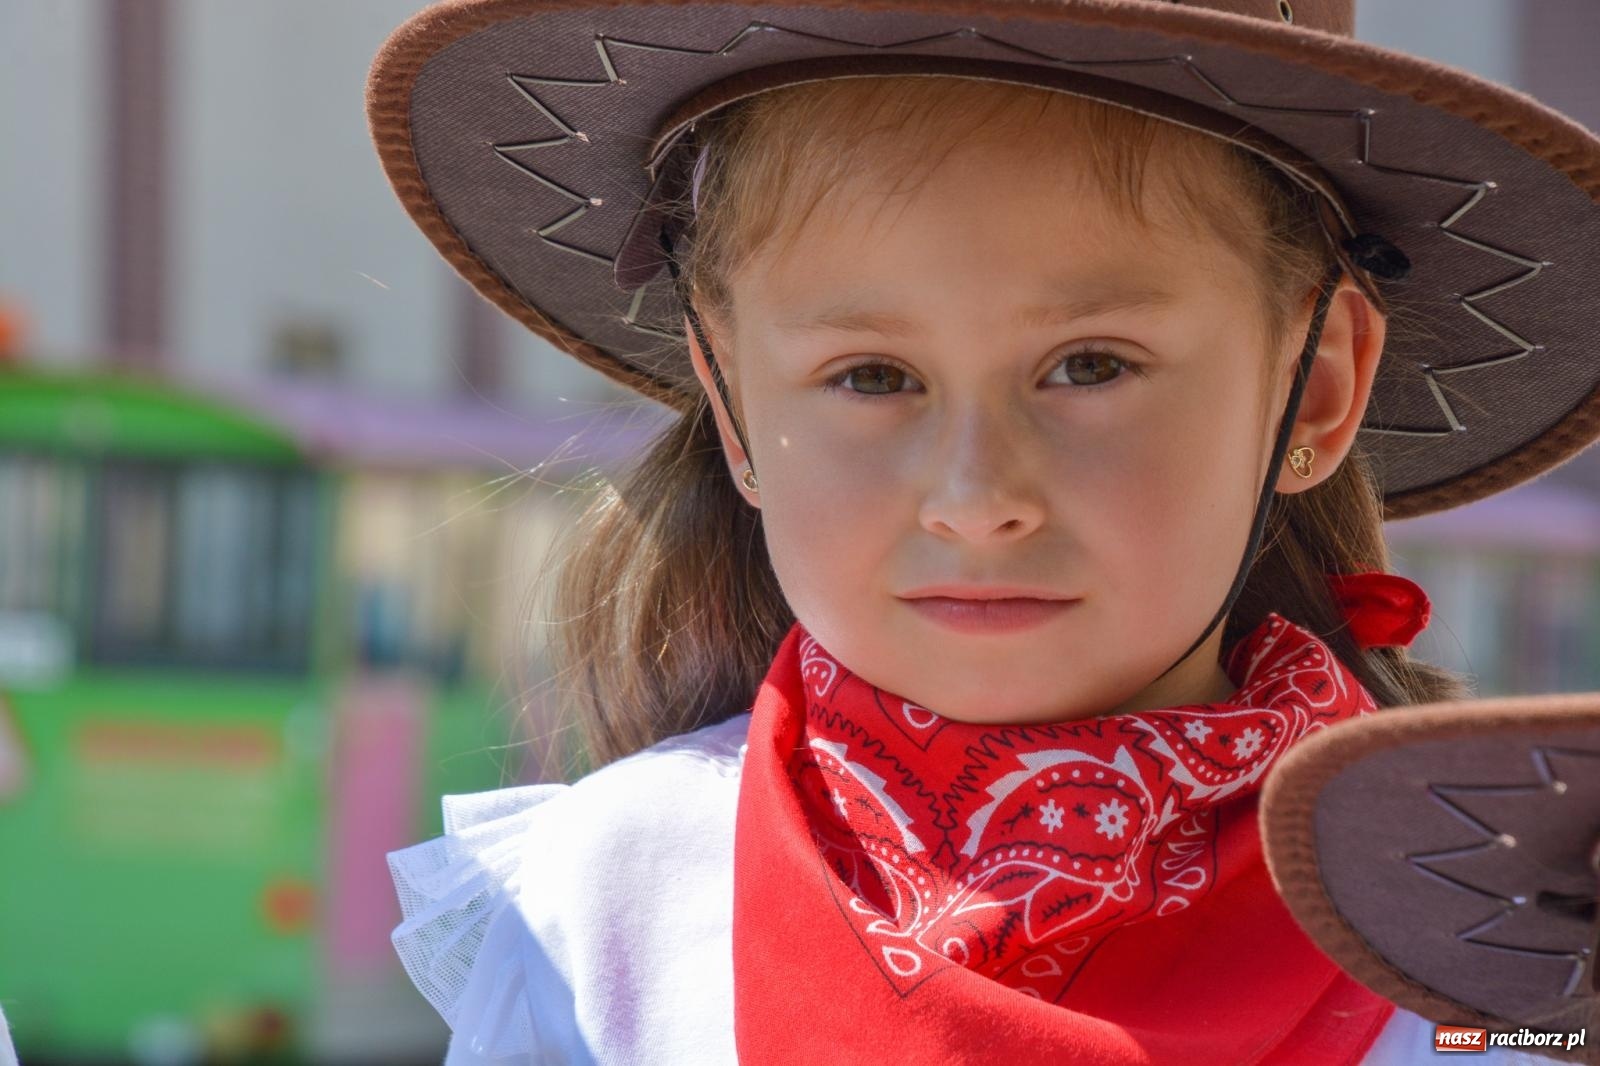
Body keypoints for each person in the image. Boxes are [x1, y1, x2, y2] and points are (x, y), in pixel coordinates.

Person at [368, 0, 1600, 1062]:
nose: (975, 494)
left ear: (1316, 387)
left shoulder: (1506, 954)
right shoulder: (597, 914)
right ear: (735, 407)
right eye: (868, 376)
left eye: (1090, 364)